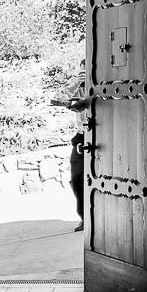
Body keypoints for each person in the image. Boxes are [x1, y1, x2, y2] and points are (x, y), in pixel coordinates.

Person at [52, 54, 88, 231]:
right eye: (82, 70)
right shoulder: (76, 83)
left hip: (105, 133)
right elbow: (58, 98)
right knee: (77, 178)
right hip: (82, 136)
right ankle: (84, 217)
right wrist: (76, 83)